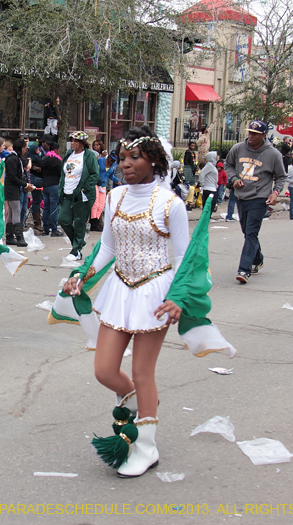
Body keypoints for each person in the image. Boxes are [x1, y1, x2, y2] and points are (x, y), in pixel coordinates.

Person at [63, 126, 188, 478]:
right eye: (122, 158)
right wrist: (84, 273)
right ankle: (142, 403)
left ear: (155, 160)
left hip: (156, 294)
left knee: (142, 372)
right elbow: (108, 248)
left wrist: (178, 296)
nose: (127, 164)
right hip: (119, 289)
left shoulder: (171, 204)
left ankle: (146, 446)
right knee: (103, 369)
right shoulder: (115, 197)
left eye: (136, 157)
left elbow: (184, 258)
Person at [225, 120, 286, 284]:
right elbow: (228, 165)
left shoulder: (273, 154)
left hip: (260, 198)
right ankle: (258, 259)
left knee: (251, 232)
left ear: (263, 135)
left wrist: (275, 192)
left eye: (255, 134)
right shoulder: (237, 148)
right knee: (247, 232)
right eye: (249, 132)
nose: (250, 136)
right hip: (241, 196)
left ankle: (244, 270)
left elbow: (280, 177)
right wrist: (234, 178)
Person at [59, 131, 99, 261]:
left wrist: (84, 187)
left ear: (82, 143)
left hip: (82, 195)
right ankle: (78, 243)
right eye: (72, 140)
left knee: (80, 223)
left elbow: (94, 174)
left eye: (76, 141)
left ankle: (76, 251)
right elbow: (63, 173)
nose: (73, 143)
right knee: (63, 219)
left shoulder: (88, 156)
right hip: (68, 193)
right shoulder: (68, 154)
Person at [4, 138, 32, 247]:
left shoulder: (16, 158)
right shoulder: (13, 159)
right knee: (16, 211)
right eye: (25, 148)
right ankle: (19, 236)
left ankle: (10, 236)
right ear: (21, 148)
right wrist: (25, 184)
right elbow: (12, 177)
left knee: (11, 212)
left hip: (13, 187)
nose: (25, 150)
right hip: (11, 188)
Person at [89, 140, 113, 232]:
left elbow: (110, 174)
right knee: (95, 204)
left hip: (103, 185)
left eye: (98, 145)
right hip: (96, 183)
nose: (96, 147)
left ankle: (98, 222)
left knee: (101, 205)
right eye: (94, 145)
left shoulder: (109, 161)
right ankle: (93, 223)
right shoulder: (99, 159)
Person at [40, 142, 63, 236]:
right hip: (54, 185)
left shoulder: (44, 160)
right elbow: (61, 174)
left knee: (46, 208)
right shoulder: (57, 161)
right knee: (54, 208)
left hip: (45, 185)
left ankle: (45, 228)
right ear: (56, 150)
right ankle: (54, 229)